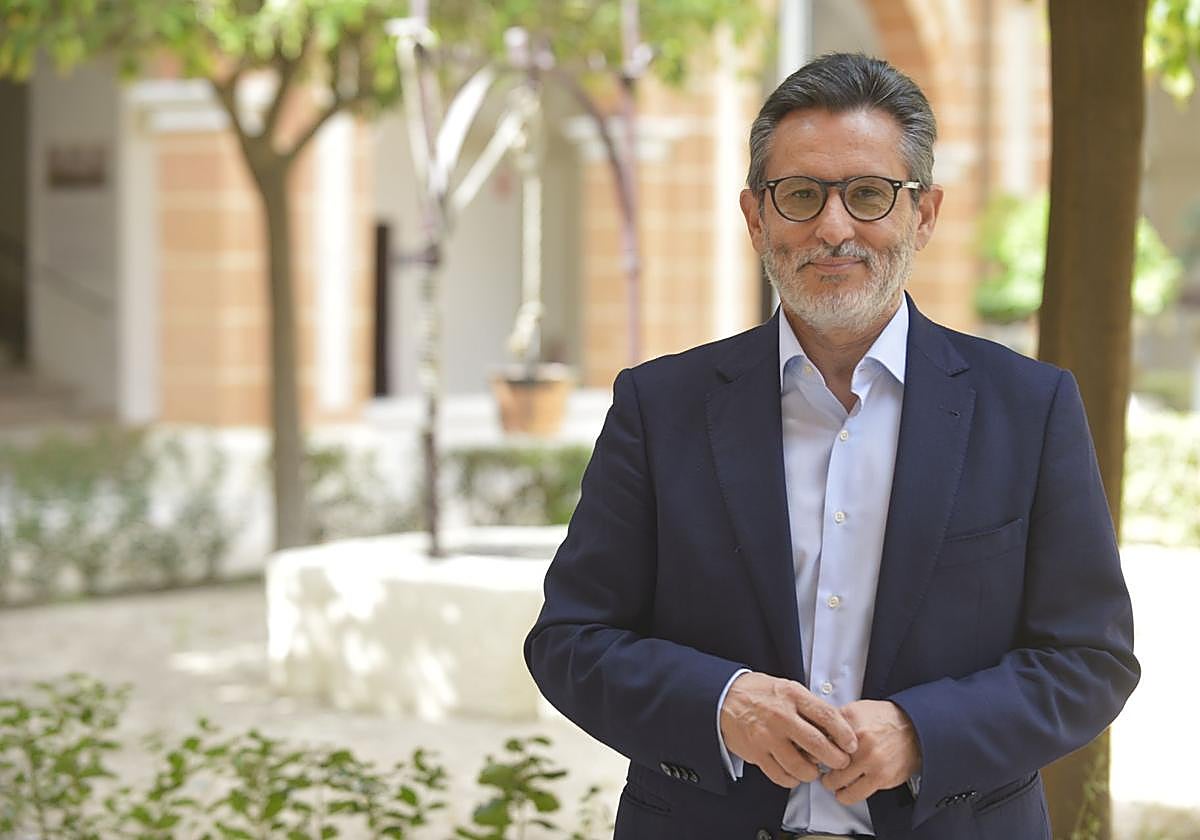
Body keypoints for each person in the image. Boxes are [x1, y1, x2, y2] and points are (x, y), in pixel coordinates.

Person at [524, 52, 1138, 840]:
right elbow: (572, 641)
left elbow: (1090, 660)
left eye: (870, 194)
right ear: (756, 217)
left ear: (924, 214)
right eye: (802, 195)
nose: (834, 227)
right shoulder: (659, 407)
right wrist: (722, 704)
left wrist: (923, 732)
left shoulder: (1030, 408)